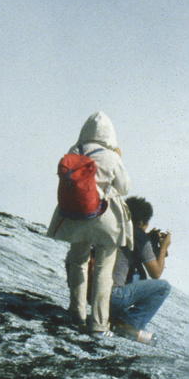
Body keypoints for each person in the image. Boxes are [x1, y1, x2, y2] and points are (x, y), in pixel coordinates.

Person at [47, 111, 131, 333]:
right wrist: (117, 160)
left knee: (78, 262)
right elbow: (124, 188)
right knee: (104, 270)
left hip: (77, 216)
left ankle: (76, 314)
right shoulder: (111, 156)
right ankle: (98, 323)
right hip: (105, 218)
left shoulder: (74, 151)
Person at [112, 196, 171, 343]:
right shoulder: (138, 235)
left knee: (137, 274)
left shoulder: (115, 226)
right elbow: (156, 273)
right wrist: (163, 248)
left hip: (93, 292)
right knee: (163, 287)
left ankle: (115, 317)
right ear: (140, 222)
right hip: (113, 296)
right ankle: (128, 324)